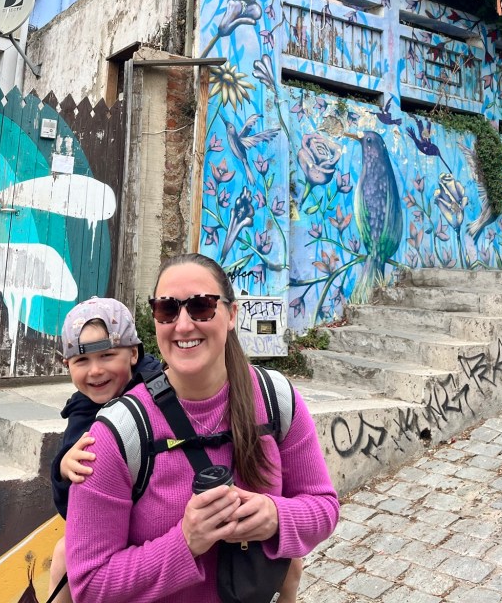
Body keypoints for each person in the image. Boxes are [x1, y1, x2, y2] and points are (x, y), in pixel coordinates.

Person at [66, 254, 339, 603]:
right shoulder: (117, 434)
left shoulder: (276, 399)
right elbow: (89, 586)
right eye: (167, 309)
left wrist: (275, 516)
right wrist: (185, 542)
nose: (183, 325)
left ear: (232, 314)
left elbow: (323, 507)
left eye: (201, 306)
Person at [48, 297, 162, 603]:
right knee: (63, 556)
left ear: (133, 353)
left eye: (107, 355)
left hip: (158, 519)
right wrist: (64, 469)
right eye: (82, 361)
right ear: (67, 366)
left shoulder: (159, 389)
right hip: (109, 525)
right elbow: (70, 511)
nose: (95, 370)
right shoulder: (83, 411)